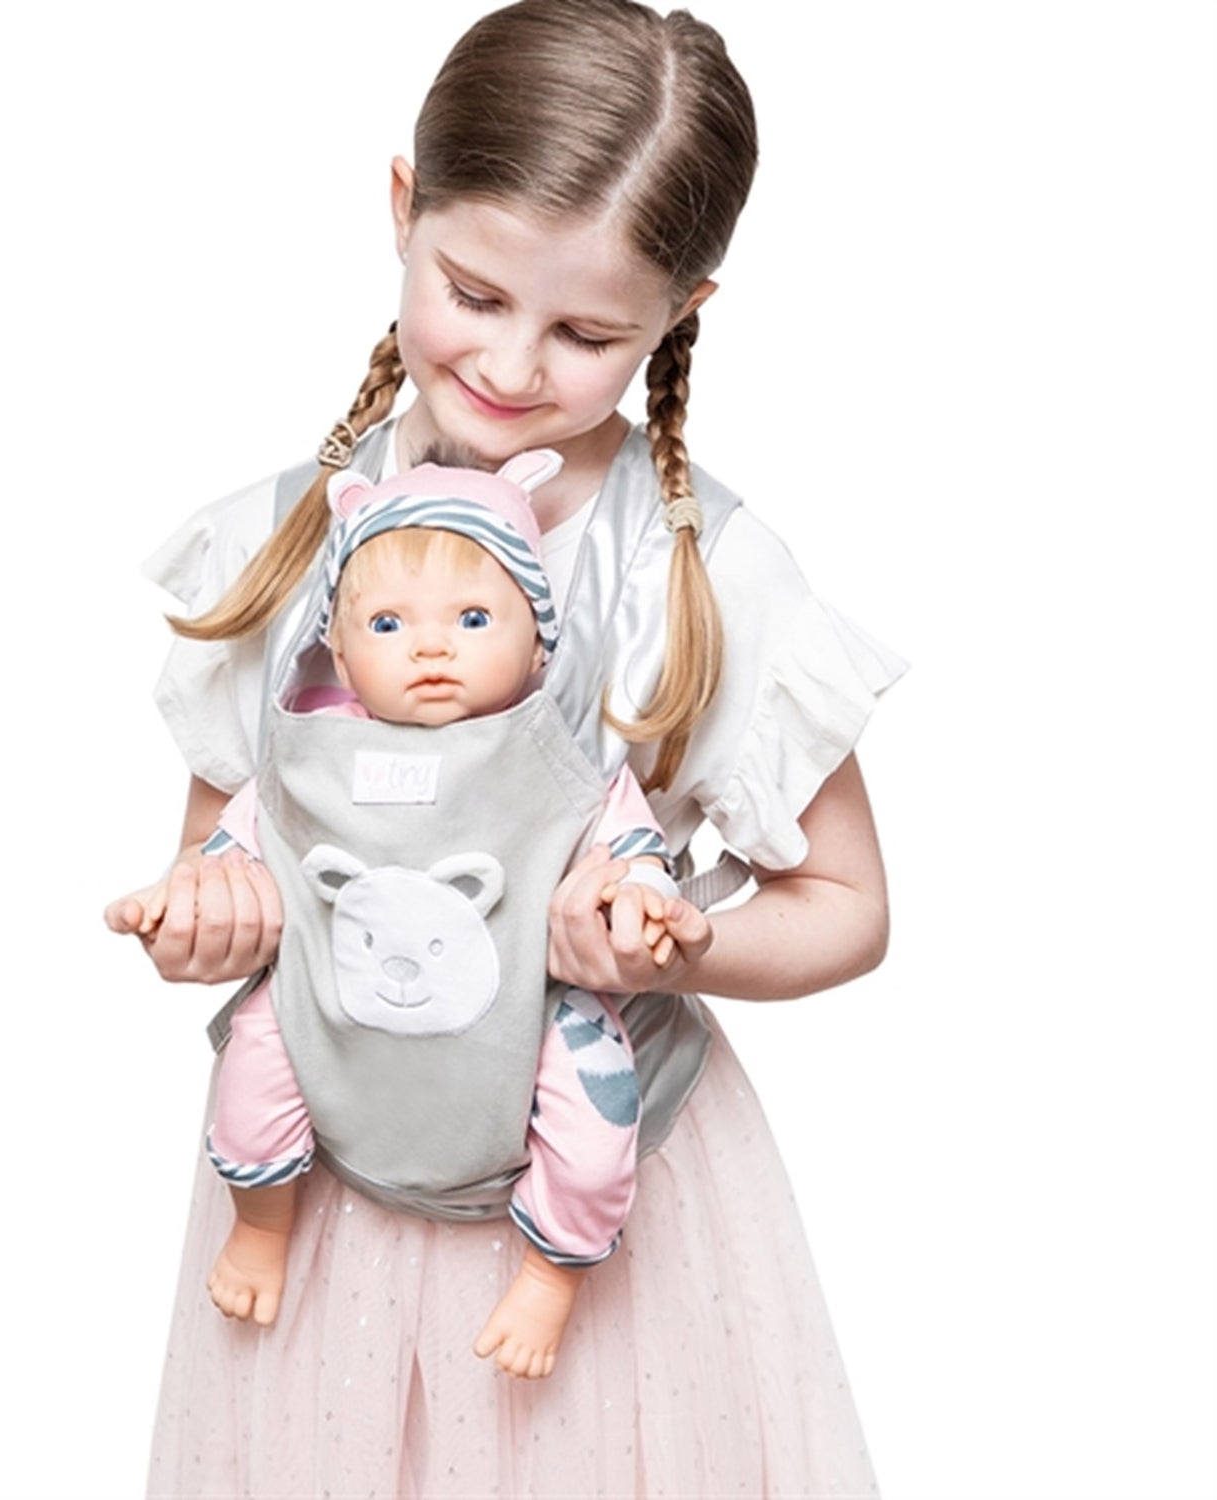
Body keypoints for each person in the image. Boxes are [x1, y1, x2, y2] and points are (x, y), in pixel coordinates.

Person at [106, 1, 905, 1493]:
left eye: (588, 333)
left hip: (606, 1221)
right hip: (318, 1213)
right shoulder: (280, 540)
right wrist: (205, 916)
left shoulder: (699, 576)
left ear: (682, 311)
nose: (515, 363)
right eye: (472, 292)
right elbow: (232, 873)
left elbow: (849, 907)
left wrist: (681, 946)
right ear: (403, 206)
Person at [139, 450, 683, 1381]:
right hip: (329, 994)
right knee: (257, 1057)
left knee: (598, 1115)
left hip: (529, 1007)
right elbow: (228, 853)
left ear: (539, 642)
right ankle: (261, 1223)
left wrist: (635, 897)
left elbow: (629, 850)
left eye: (473, 620)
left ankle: (553, 1271)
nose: (432, 648)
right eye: (388, 624)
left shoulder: (562, 759)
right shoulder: (305, 756)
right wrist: (182, 893)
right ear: (342, 652)